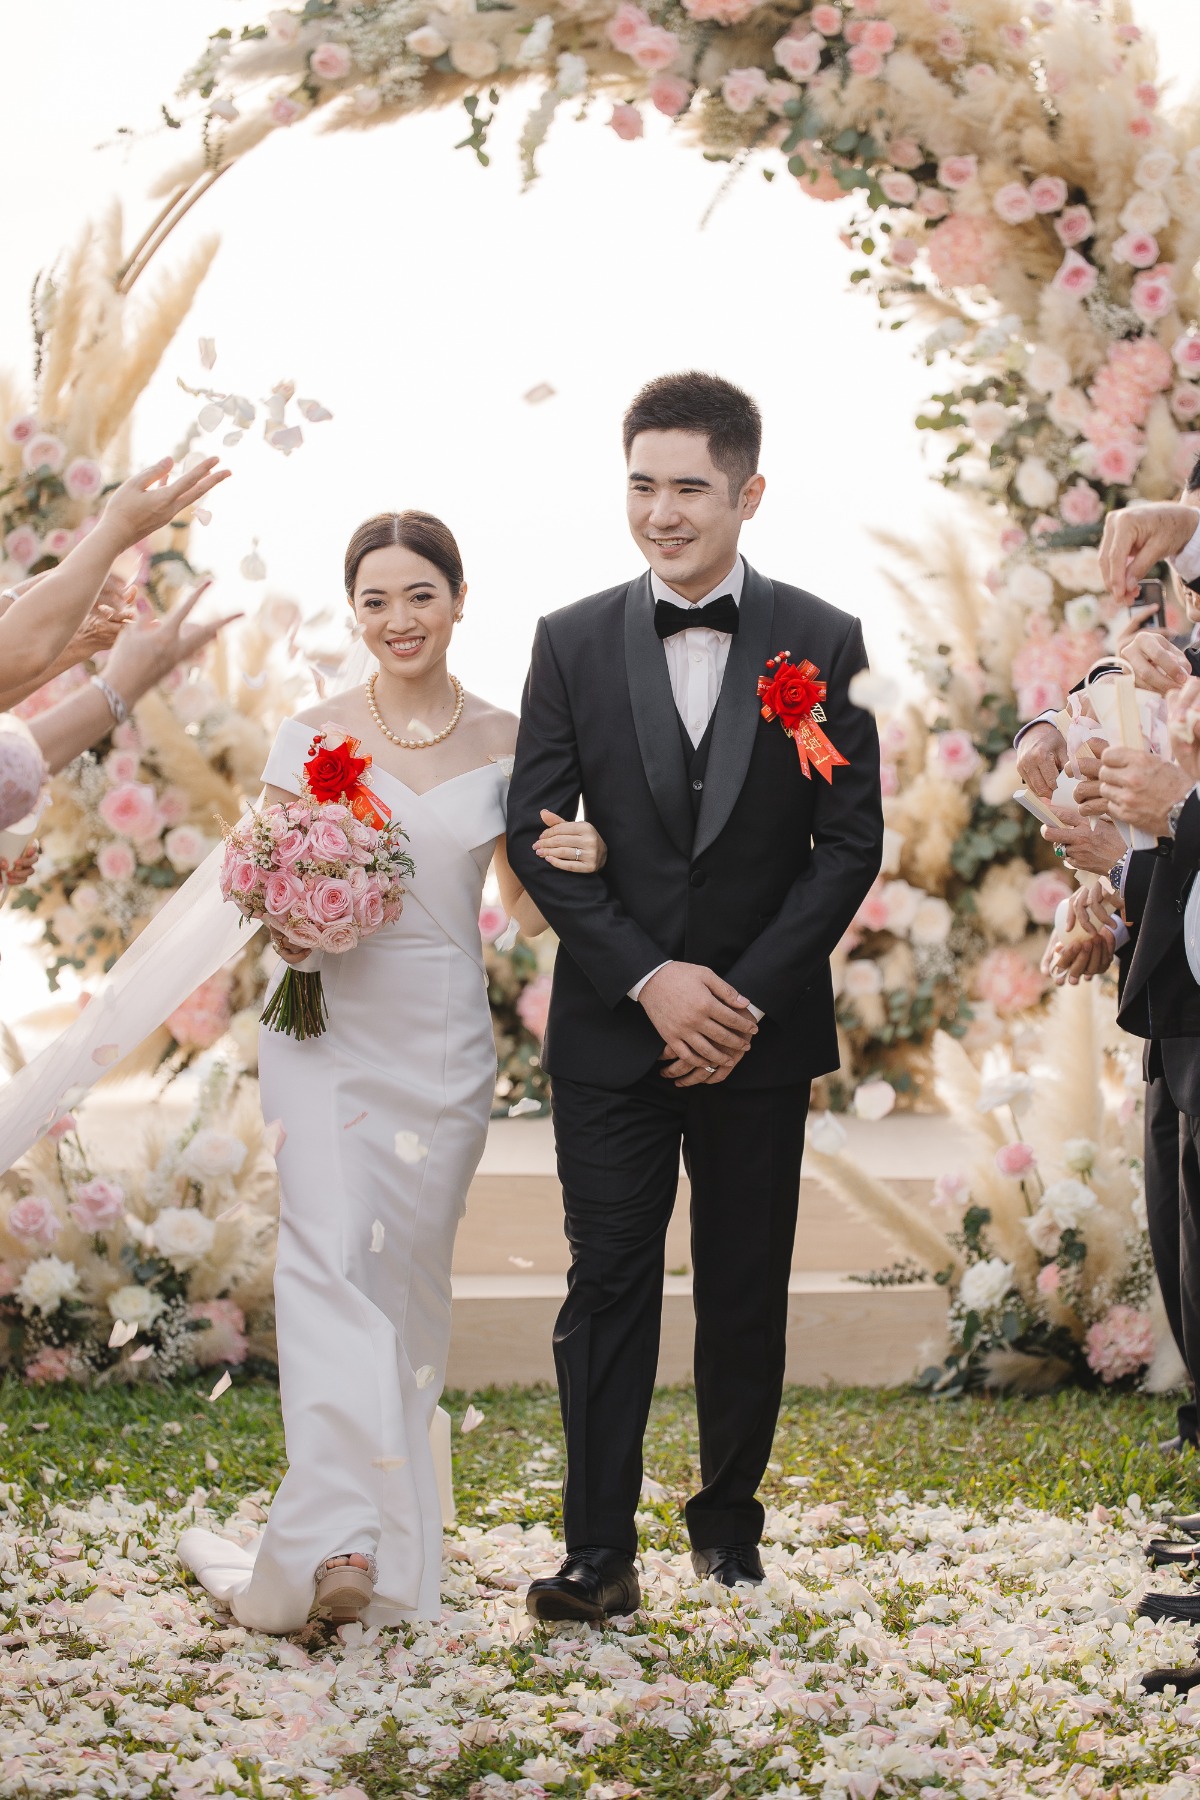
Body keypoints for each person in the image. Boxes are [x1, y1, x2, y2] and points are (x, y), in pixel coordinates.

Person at [174, 510, 608, 1631]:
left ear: (459, 600)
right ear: (353, 611)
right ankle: (341, 1545)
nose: (398, 619)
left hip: (443, 1038)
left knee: (404, 1287)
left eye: (419, 595)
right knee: (324, 1262)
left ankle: (384, 1531)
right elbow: (262, 895)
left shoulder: (513, 739)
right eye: (375, 600)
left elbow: (519, 907)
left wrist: (580, 858)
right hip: (320, 1027)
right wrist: (301, 924)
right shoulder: (310, 733)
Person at [506, 372, 884, 1623]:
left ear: (748, 493)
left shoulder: (821, 641)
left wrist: (738, 1000)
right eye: (641, 485)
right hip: (616, 1032)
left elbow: (847, 842)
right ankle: (596, 1551)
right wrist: (654, 980)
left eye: (688, 488)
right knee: (607, 1279)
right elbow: (535, 834)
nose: (661, 513)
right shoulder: (566, 640)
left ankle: (728, 1528)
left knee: (742, 1282)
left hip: (757, 1041)